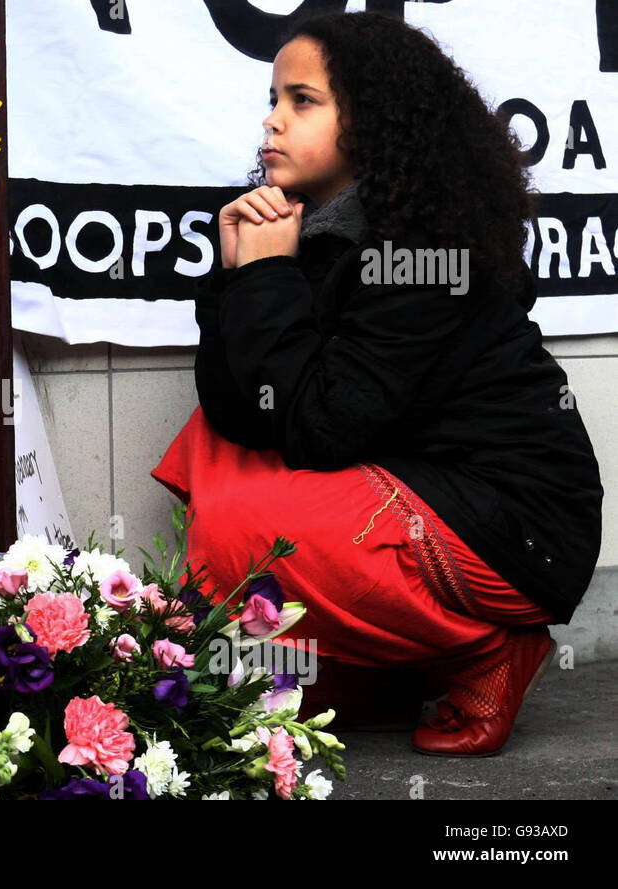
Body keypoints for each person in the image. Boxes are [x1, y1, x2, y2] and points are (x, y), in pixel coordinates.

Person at [151, 11, 604, 757]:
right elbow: (241, 407)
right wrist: (236, 277)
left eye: (302, 101)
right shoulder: (309, 226)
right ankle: (387, 675)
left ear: (372, 119)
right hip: (401, 474)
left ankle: (486, 649)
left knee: (239, 531)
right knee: (209, 446)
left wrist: (265, 274)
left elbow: (324, 424)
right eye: (272, 99)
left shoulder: (424, 247)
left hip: (515, 521)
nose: (271, 122)